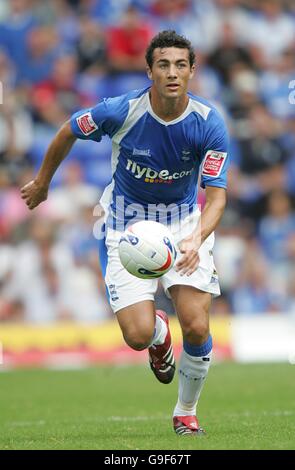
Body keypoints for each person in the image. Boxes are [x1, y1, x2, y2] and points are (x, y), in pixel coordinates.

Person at [21, 30, 229, 436]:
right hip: (124, 227)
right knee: (135, 336)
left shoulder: (209, 123)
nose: (172, 72)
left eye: (180, 65)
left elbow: (217, 199)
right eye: (163, 64)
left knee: (198, 326)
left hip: (184, 224)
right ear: (149, 70)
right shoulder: (120, 110)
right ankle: (157, 336)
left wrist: (196, 238)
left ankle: (185, 412)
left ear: (192, 71)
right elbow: (67, 129)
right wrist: (43, 182)